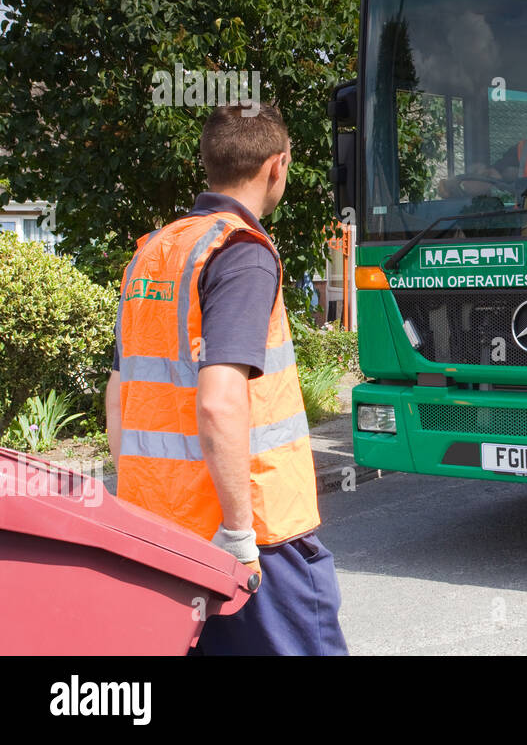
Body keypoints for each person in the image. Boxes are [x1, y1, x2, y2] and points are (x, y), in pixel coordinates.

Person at [105, 102, 347, 656]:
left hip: (163, 533)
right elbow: (219, 401)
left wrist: (148, 511)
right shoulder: (240, 252)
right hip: (251, 534)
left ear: (208, 162)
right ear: (277, 166)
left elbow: (120, 397)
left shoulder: (153, 253)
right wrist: (238, 534)